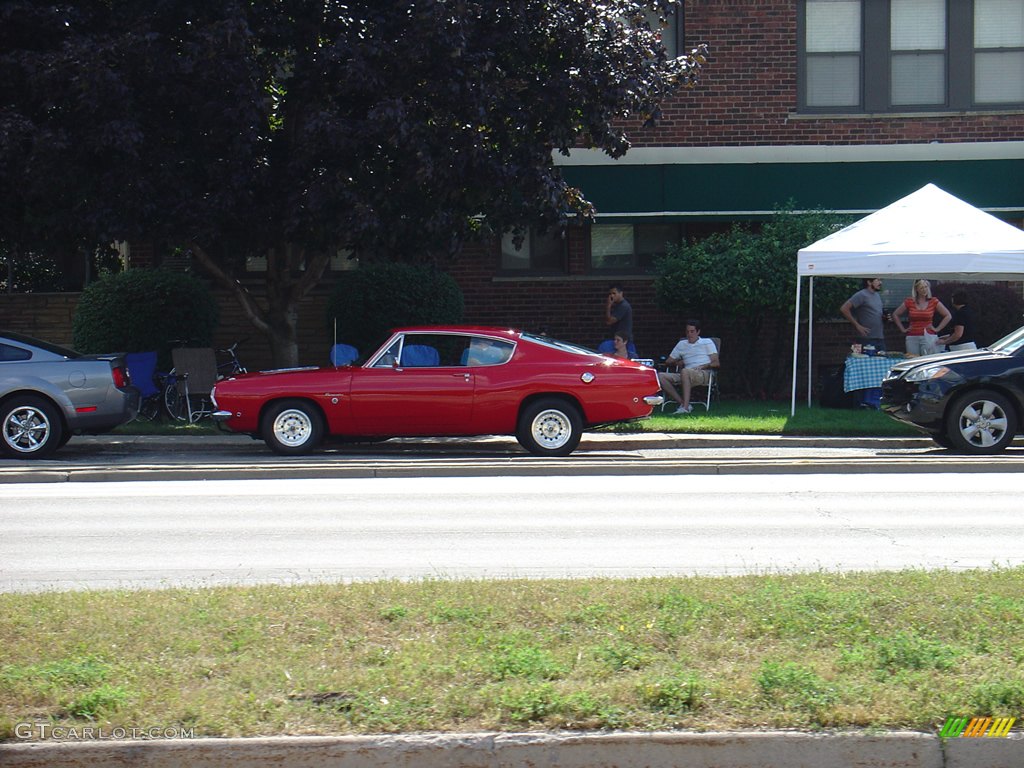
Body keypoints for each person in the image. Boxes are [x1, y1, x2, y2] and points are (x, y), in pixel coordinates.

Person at [657, 320, 718, 415]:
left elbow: (716, 363)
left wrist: (704, 366)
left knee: (685, 371)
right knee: (661, 376)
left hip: (703, 373)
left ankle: (684, 408)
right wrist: (678, 362)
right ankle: (683, 403)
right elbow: (668, 361)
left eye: (692, 331)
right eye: (687, 331)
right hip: (685, 374)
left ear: (698, 332)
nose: (689, 334)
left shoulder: (707, 342)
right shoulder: (682, 344)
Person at [892, 278, 951, 356]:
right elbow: (895, 314)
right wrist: (903, 329)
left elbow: (948, 315)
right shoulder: (909, 301)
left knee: (927, 359)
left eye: (926, 287)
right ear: (917, 289)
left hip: (928, 335)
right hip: (912, 336)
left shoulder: (933, 301)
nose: (924, 290)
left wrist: (937, 328)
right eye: (921, 288)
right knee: (912, 359)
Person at [839, 277, 886, 351]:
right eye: (878, 280)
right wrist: (857, 325)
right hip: (866, 338)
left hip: (879, 337)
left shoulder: (877, 295)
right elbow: (844, 308)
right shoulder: (861, 295)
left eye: (881, 280)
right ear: (869, 282)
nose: (880, 283)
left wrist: (884, 317)